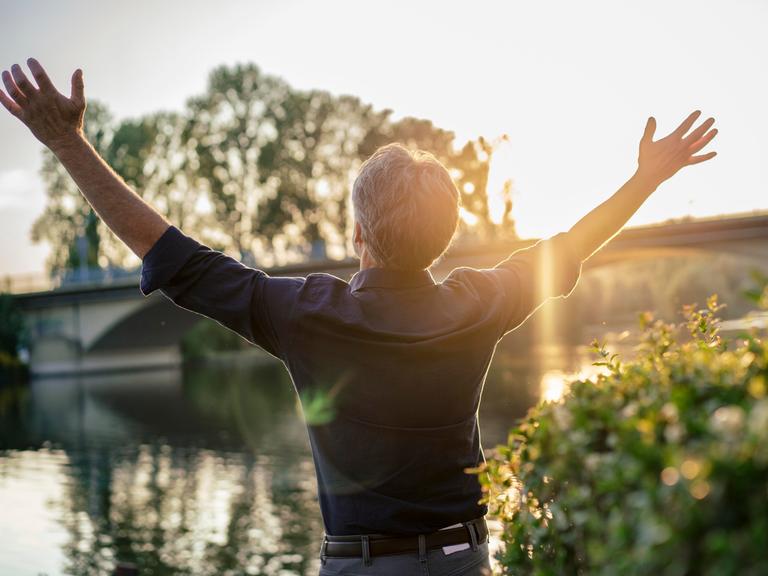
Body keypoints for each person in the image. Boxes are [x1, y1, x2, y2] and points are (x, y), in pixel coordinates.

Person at [1, 59, 717, 576]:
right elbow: (572, 244)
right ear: (442, 237)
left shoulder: (304, 312)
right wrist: (646, 178)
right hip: (466, 558)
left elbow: (171, 253)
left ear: (357, 235)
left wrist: (68, 143)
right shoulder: (479, 303)